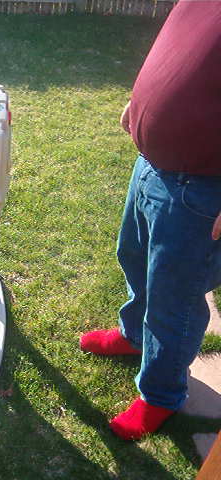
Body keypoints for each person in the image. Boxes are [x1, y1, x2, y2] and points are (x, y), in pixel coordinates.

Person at [80, 0, 221, 441]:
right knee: (134, 257)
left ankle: (161, 393)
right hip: (151, 164)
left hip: (201, 186)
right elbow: (185, 45)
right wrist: (144, 99)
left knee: (173, 298)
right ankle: (135, 336)